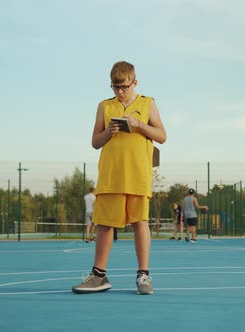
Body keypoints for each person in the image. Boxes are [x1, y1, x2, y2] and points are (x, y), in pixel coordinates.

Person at [72, 61, 167, 295]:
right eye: (115, 87)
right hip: (111, 175)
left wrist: (139, 125)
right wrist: (108, 132)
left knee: (139, 223)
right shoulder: (104, 106)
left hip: (137, 175)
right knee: (104, 225)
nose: (120, 91)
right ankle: (98, 276)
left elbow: (162, 136)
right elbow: (95, 142)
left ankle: (143, 277)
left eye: (124, 86)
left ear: (134, 82)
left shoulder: (148, 103)